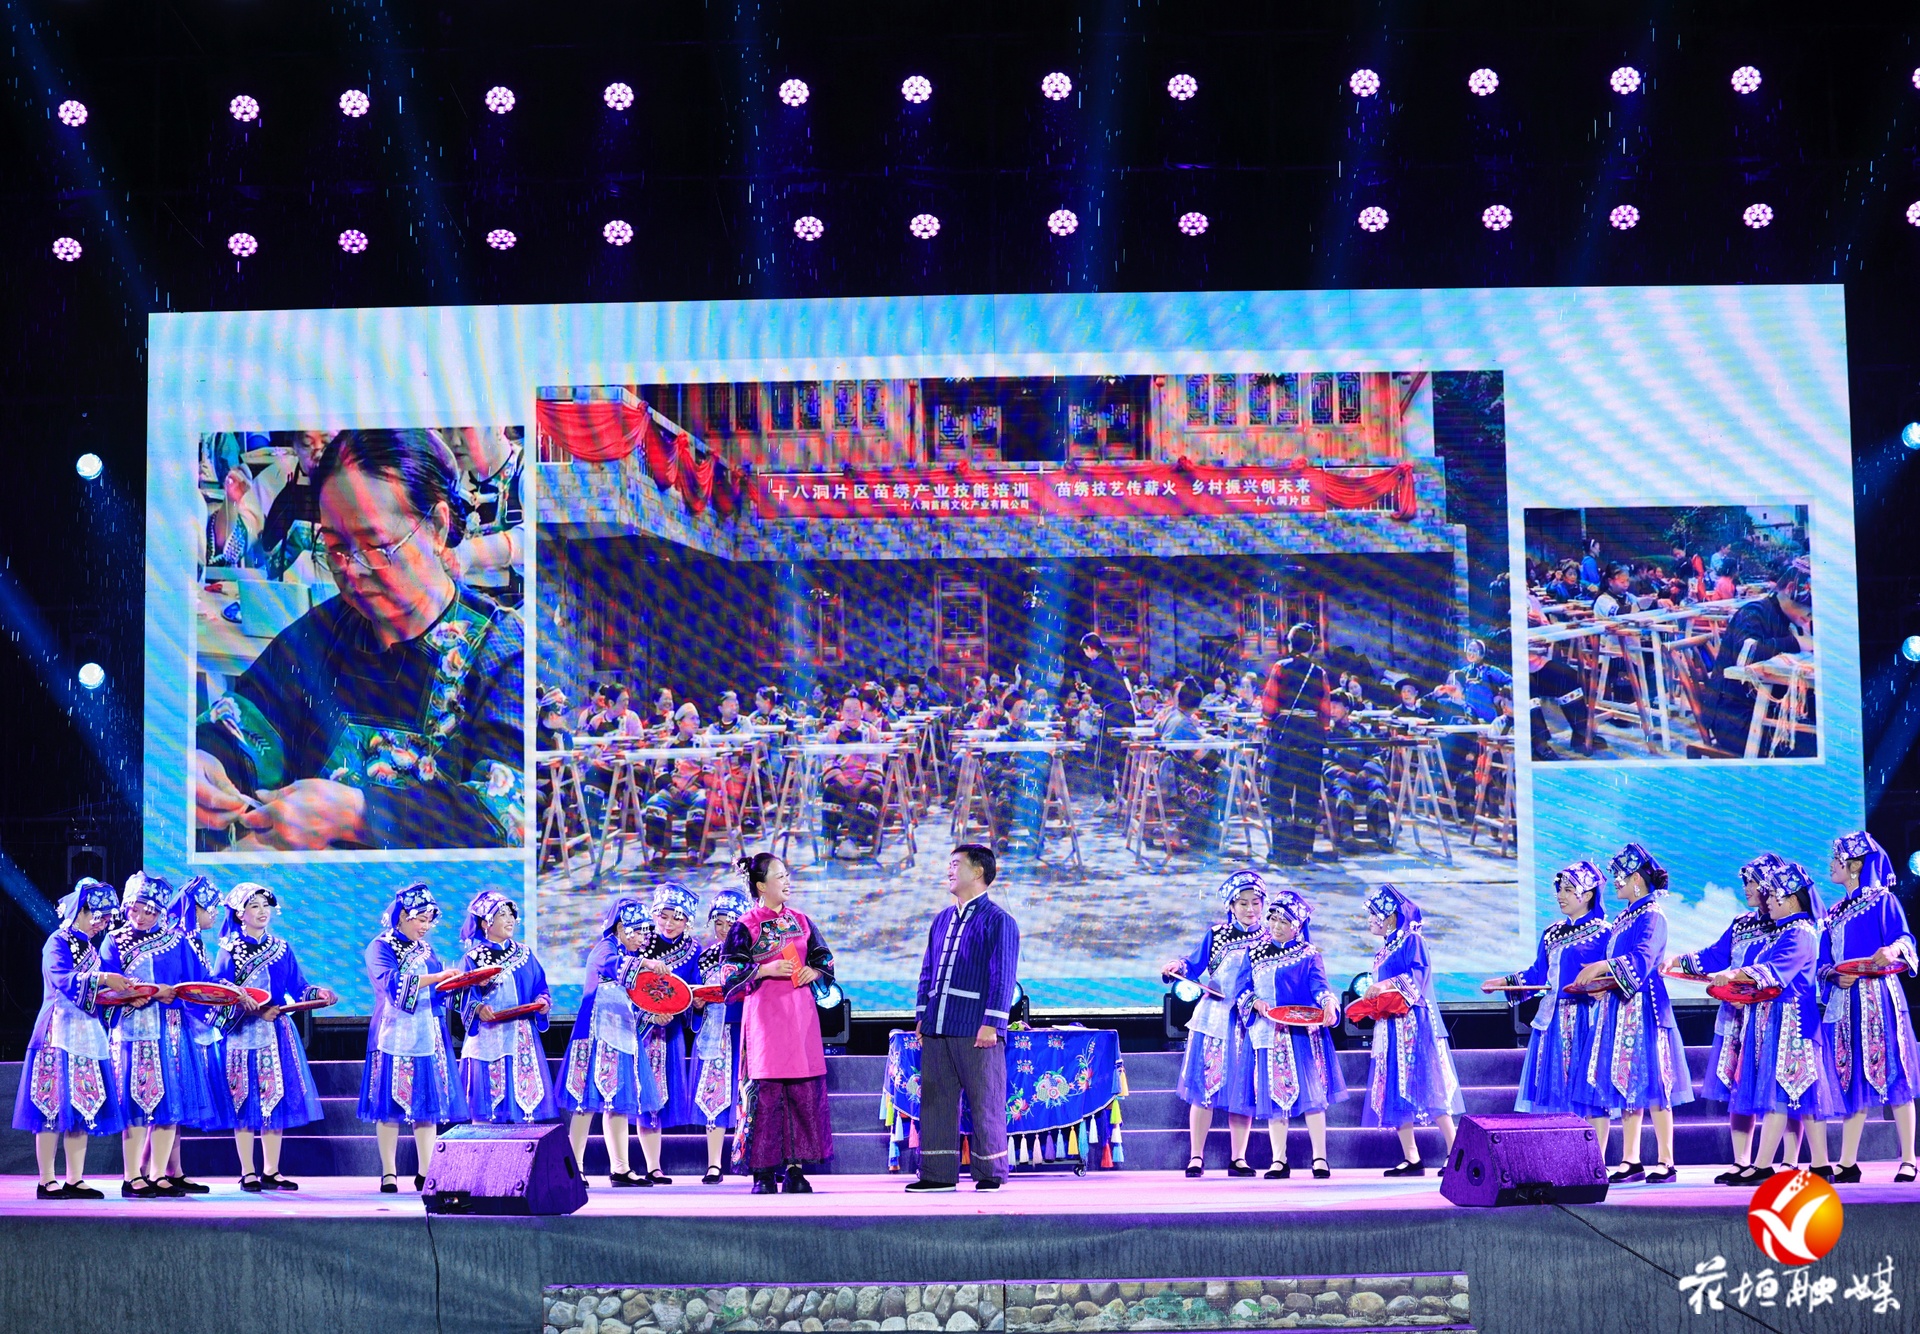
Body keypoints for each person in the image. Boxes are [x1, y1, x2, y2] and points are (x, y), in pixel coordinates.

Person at [192, 427, 526, 851]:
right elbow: (246, 721)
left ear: (438, 528)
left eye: (374, 546)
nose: (351, 569)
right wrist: (207, 761)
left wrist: (359, 816)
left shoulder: (501, 650)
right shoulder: (321, 634)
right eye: (336, 548)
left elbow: (509, 818)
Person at [1670, 854, 1802, 1183]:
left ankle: (1789, 1160)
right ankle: (1742, 1160)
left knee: (1782, 1085)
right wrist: (1678, 961)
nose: (1747, 888)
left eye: (1753, 882)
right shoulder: (1741, 924)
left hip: (1774, 1015)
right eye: (1745, 882)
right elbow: (1714, 956)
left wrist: (1739, 977)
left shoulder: (1788, 926)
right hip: (1737, 1016)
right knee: (1738, 1086)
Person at [1568, 844, 1695, 1183]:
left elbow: (1642, 959)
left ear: (1637, 879)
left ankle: (1666, 1160)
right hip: (1621, 1007)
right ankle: (1631, 1159)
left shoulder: (1652, 915)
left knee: (1657, 1082)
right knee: (1626, 1080)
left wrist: (1601, 967)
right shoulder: (1625, 918)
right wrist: (1600, 983)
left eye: (1621, 876)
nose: (1616, 882)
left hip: (1647, 1007)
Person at [1713, 859, 1844, 1182]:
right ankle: (1820, 1164)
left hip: (1793, 1021)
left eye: (1772, 895)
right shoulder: (1788, 930)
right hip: (1784, 1019)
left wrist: (1734, 974)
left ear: (1790, 899)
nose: (1767, 900)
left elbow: (1775, 971)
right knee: (1803, 1092)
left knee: (1783, 1092)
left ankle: (1762, 1165)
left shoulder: (1799, 932)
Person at [905, 844, 1021, 1192]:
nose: (949, 870)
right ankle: (937, 1174)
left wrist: (993, 1023)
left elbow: (1003, 977)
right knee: (936, 1100)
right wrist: (922, 1015)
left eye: (956, 864)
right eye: (949, 864)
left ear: (978, 872)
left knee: (985, 1100)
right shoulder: (941, 919)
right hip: (938, 1025)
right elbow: (928, 972)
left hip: (976, 1028)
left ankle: (990, 1172)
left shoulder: (999, 921)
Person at [721, 854, 838, 1193]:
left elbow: (824, 958)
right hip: (765, 1019)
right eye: (780, 876)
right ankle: (762, 1171)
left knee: (800, 1093)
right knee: (767, 1094)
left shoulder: (801, 921)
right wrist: (763, 970)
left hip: (800, 1017)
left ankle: (795, 1169)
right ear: (761, 885)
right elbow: (728, 974)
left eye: (787, 875)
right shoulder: (745, 925)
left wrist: (814, 971)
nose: (787, 881)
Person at [12, 878, 130, 1199]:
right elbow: (62, 979)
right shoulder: (57, 942)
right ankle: (46, 1180)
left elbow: (96, 990)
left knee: (81, 1107)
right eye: (100, 917)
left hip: (86, 1035)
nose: (103, 924)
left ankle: (75, 1179)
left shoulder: (90, 948)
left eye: (107, 919)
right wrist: (103, 979)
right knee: (50, 1107)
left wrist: (123, 993)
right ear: (81, 911)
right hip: (56, 1033)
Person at [100, 873, 216, 1198]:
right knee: (136, 1105)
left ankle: (158, 1174)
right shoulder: (114, 941)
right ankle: (131, 1176)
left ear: (161, 911)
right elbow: (107, 987)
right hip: (132, 1033)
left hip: (171, 1032)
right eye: (135, 909)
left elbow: (198, 981)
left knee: (169, 1104)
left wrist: (228, 993)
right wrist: (141, 993)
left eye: (149, 912)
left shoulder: (177, 942)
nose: (141, 917)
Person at [214, 882, 334, 1190]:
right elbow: (221, 993)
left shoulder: (281, 948)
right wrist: (252, 1010)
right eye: (254, 906)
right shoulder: (229, 950)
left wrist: (318, 993)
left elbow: (298, 988)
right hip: (241, 1034)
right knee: (243, 1100)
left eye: (265, 906)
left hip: (275, 1033)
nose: (262, 911)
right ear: (240, 914)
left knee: (273, 1098)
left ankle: (271, 1170)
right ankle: (247, 1171)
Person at [1819, 830, 1918, 1183]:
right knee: (1851, 1078)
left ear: (1855, 865)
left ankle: (1909, 1158)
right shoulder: (1832, 914)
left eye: (1837, 859)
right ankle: (1848, 1161)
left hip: (1880, 1000)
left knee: (1896, 1074)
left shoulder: (1882, 901)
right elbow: (1822, 962)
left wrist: (1892, 951)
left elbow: (1904, 938)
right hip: (1846, 1003)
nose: (1831, 864)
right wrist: (1833, 975)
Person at [1488, 861, 1611, 1140]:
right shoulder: (1551, 933)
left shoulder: (1605, 932)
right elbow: (1537, 975)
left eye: (1568, 890)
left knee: (1591, 1091)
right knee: (1557, 1092)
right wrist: (1503, 982)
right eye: (1559, 890)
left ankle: (1597, 1159)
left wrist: (1603, 987)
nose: (1560, 896)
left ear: (1587, 894)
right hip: (1553, 1021)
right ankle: (1562, 1155)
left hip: (1588, 1020)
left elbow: (1612, 974)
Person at [357, 882, 466, 1193]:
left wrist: (460, 985)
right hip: (392, 1032)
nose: (425, 926)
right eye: (421, 919)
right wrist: (438, 977)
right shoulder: (380, 947)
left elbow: (439, 990)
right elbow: (391, 983)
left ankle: (426, 1171)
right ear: (403, 916)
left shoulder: (427, 950)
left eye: (429, 920)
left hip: (427, 1031)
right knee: (387, 1105)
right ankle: (389, 1172)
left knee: (427, 1104)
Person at [1163, 869, 1267, 1179]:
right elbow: (1193, 965)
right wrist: (1177, 966)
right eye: (1243, 903)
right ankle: (1196, 1156)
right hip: (1215, 1018)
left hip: (1250, 1021)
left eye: (1256, 903)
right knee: (1203, 1089)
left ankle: (1238, 1158)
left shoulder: (1270, 937)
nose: (1250, 909)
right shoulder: (1218, 934)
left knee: (1243, 1090)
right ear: (1231, 906)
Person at [558, 895, 667, 1187]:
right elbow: (612, 966)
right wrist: (645, 963)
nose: (643, 938)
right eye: (638, 931)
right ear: (620, 927)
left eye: (645, 932)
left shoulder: (626, 954)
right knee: (584, 1104)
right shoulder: (604, 950)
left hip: (620, 1035)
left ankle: (620, 1168)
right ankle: (575, 1168)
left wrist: (653, 1016)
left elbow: (631, 1001)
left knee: (618, 1103)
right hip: (595, 1036)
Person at [1359, 884, 1464, 1174]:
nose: (1370, 920)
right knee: (1395, 1087)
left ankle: (1456, 1153)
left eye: (1374, 914)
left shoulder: (1412, 940)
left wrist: (1384, 985)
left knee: (1431, 1084)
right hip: (1391, 1026)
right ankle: (1411, 1157)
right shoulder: (1384, 951)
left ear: (1390, 916)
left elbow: (1418, 977)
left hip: (1416, 1024)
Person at [1246, 891, 1344, 1181]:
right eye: (1273, 919)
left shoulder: (1308, 954)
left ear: (1297, 926)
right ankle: (1279, 1160)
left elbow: (1320, 987)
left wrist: (1329, 1004)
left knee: (1313, 1096)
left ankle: (1320, 1158)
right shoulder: (1255, 953)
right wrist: (1254, 1002)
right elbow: (1243, 988)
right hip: (1268, 1031)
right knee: (1274, 1097)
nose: (1276, 926)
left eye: (1284, 921)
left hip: (1301, 1034)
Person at [454, 891, 556, 1126]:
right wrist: (477, 1008)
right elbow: (461, 995)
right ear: (485, 923)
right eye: (502, 915)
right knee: (485, 1108)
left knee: (523, 1106)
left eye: (511, 915)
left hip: (520, 1035)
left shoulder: (525, 954)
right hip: (487, 1036)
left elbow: (540, 987)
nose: (510, 920)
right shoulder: (472, 958)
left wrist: (543, 1002)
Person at [1700, 555, 1816, 756]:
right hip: (1734, 718)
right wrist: (1797, 642)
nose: (1810, 617)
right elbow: (1746, 654)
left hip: (1763, 708)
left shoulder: (1788, 618)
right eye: (1808, 611)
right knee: (1814, 744)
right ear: (1790, 589)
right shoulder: (1753, 612)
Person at [157, 874, 228, 1192]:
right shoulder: (179, 939)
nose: (215, 913)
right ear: (195, 908)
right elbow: (189, 986)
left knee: (178, 1101)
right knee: (170, 1099)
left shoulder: (192, 938)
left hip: (188, 1024)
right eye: (211, 907)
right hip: (175, 1026)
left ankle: (174, 1169)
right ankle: (148, 1170)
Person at [692, 888, 752, 1184]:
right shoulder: (705, 958)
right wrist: (696, 1002)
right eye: (718, 923)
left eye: (731, 923)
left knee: (751, 1096)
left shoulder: (753, 955)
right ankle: (714, 1164)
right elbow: (691, 993)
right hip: (715, 1032)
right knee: (713, 1096)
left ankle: (755, 1159)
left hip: (748, 1031)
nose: (724, 929)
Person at [1261, 623, 1331, 865]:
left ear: (1290, 644)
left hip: (1286, 736)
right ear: (1311, 646)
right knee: (1307, 794)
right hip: (1312, 737)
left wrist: (1269, 721)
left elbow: (1269, 705)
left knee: (1280, 793)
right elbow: (1325, 710)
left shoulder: (1280, 668)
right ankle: (1303, 850)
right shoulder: (1319, 673)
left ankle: (1283, 851)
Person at [441, 426, 525, 609]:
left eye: (465, 428)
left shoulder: (526, 469)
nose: (455, 441)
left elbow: (533, 537)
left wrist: (470, 552)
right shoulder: (445, 475)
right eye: (447, 428)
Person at [1322, 689, 1393, 850]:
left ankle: (1382, 835)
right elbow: (1324, 759)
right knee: (1342, 790)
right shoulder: (1327, 734)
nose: (1332, 711)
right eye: (1329, 707)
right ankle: (1347, 836)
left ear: (1346, 709)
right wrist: (1344, 773)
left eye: (1335, 707)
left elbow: (1377, 753)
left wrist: (1366, 771)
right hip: (1341, 777)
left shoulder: (1361, 731)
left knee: (1377, 786)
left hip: (1364, 776)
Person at [641, 704, 713, 863]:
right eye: (692, 719)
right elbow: (660, 770)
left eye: (697, 719)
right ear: (679, 722)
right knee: (654, 802)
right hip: (672, 790)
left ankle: (694, 848)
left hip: (694, 790)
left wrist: (694, 787)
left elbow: (708, 769)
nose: (696, 722)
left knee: (701, 800)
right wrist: (671, 788)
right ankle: (658, 849)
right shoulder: (668, 745)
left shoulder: (702, 743)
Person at [818, 692, 888, 854]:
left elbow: (876, 761)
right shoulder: (833, 731)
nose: (852, 714)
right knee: (830, 792)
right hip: (841, 780)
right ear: (841, 712)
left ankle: (852, 840)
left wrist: (862, 784)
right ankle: (829, 840)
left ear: (862, 710)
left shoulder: (871, 731)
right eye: (848, 710)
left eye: (856, 710)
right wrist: (843, 781)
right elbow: (828, 760)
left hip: (865, 781)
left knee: (875, 794)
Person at [1076, 632, 1135, 807]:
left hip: (1113, 712)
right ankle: (1126, 797)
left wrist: (1087, 690)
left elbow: (1097, 694)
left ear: (1089, 648)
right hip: (1127, 711)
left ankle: (1109, 800)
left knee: (1104, 757)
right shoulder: (1110, 664)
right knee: (1123, 756)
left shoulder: (1096, 664)